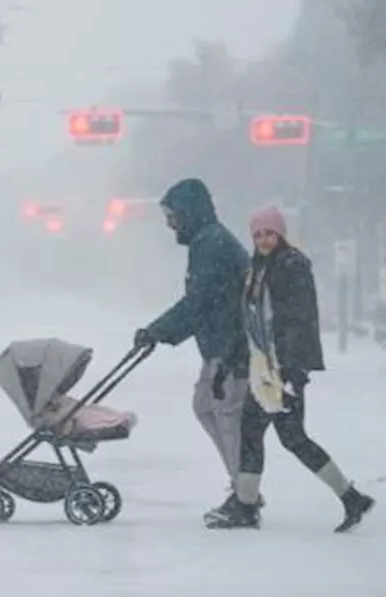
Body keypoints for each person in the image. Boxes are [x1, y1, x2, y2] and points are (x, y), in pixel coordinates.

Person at [205, 205, 375, 533]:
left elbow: (300, 321)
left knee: (284, 437)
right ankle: (251, 504)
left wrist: (295, 371)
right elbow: (249, 324)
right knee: (265, 434)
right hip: (264, 369)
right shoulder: (258, 270)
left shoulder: (291, 267)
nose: (264, 240)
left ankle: (249, 506)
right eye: (257, 235)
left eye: (269, 233)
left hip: (282, 370)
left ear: (280, 234)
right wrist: (227, 365)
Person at [133, 178, 253, 522]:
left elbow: (199, 302)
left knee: (227, 415)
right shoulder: (206, 241)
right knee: (206, 407)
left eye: (172, 216)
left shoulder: (212, 245)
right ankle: (242, 487)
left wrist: (157, 331)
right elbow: (201, 304)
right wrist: (160, 332)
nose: (169, 223)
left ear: (188, 213)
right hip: (220, 344)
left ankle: (245, 497)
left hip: (232, 346)